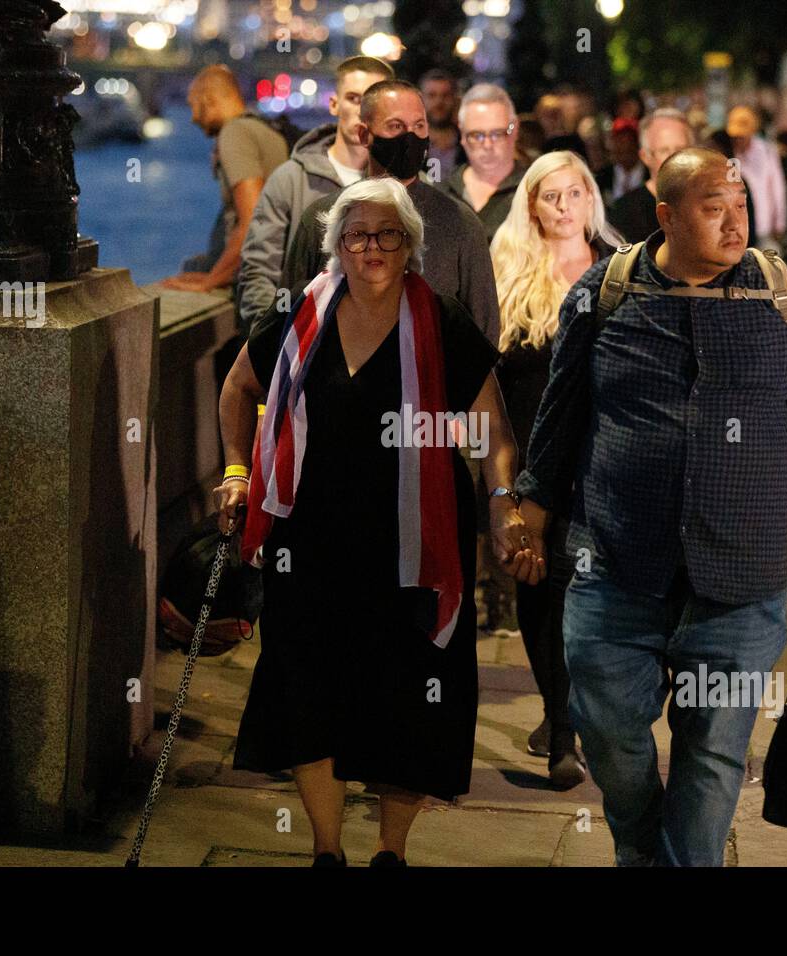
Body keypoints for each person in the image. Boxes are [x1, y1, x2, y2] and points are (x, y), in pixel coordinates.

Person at [514, 147, 787, 866]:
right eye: (713, 209)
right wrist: (529, 521)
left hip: (740, 576)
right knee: (605, 732)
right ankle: (642, 847)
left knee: (714, 754)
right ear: (666, 215)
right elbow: (558, 418)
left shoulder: (778, 294)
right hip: (617, 568)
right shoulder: (608, 292)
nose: (736, 225)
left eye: (742, 208)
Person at [216, 177, 543, 866]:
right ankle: (327, 849)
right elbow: (239, 387)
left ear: (409, 246)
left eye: (387, 235)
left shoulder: (441, 318)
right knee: (308, 690)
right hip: (308, 542)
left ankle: (391, 853)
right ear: (336, 243)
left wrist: (504, 502)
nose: (371, 247)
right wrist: (238, 472)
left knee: (411, 700)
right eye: (358, 234)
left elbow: (492, 428)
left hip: (414, 544)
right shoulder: (302, 315)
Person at [490, 150, 621, 789]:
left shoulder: (620, 272)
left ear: (591, 199)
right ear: (532, 206)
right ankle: (558, 717)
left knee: (588, 597)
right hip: (531, 463)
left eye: (576, 193)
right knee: (538, 592)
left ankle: (570, 726)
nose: (566, 207)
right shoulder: (509, 270)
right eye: (552, 196)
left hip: (604, 464)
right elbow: (490, 379)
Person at [280, 79, 501, 346]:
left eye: (419, 126)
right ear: (364, 135)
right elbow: (290, 318)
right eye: (395, 126)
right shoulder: (325, 217)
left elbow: (483, 331)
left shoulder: (459, 222)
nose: (410, 136)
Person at [235, 56, 393, 333]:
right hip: (303, 348)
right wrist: (272, 345)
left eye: (373, 102)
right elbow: (259, 271)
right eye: (354, 99)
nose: (363, 112)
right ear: (334, 104)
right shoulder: (290, 180)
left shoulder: (404, 185)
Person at [163, 65, 288, 292]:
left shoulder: (235, 133)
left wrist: (211, 282)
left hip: (257, 284)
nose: (192, 118)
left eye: (193, 105)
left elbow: (253, 219)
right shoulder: (262, 128)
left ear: (208, 99)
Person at [436, 83, 528, 240]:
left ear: (515, 130)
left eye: (497, 134)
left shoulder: (533, 189)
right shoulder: (441, 194)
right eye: (477, 135)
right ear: (462, 134)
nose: (487, 145)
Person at [608, 108, 693, 242]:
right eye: (664, 151)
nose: (674, 158)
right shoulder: (623, 214)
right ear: (645, 156)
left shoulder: (711, 203)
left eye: (680, 149)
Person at [726, 105, 786, 249]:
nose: (738, 140)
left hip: (763, 227)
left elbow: (777, 188)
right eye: (735, 136)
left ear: (751, 131)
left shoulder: (766, 151)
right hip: (736, 227)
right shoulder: (728, 153)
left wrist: (779, 223)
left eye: (741, 136)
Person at [594, 117, 648, 206]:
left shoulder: (650, 175)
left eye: (629, 142)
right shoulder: (602, 177)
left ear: (638, 145)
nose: (623, 147)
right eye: (618, 142)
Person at [420, 68, 463, 177]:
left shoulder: (468, 143)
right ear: (421, 99)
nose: (439, 102)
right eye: (432, 95)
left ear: (454, 99)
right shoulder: (410, 145)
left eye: (445, 95)